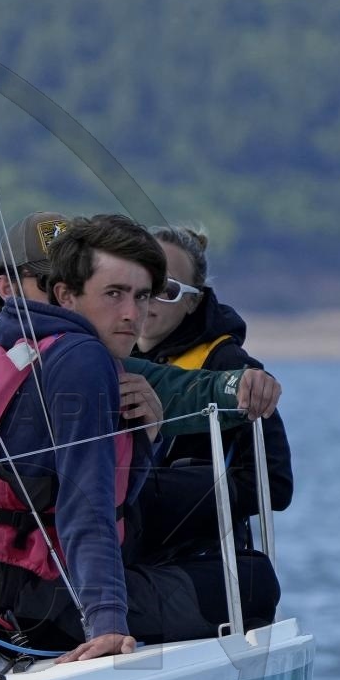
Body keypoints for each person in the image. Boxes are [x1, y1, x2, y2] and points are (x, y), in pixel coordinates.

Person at [0, 214, 279, 662]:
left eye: (142, 296)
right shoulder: (82, 360)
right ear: (66, 295)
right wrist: (108, 623)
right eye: (114, 294)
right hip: (38, 598)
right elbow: (86, 506)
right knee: (253, 582)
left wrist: (144, 437)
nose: (133, 314)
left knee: (192, 506)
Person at [0, 212, 282, 484]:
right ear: (6, 288)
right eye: (48, 282)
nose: (61, 294)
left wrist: (241, 385)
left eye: (74, 281)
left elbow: (179, 389)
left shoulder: (100, 362)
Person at [131, 225, 293, 563]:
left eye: (167, 289)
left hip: (197, 557)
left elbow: (275, 484)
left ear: (193, 301)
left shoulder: (230, 365)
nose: (148, 298)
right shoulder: (108, 353)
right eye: (141, 282)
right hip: (128, 549)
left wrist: (164, 490)